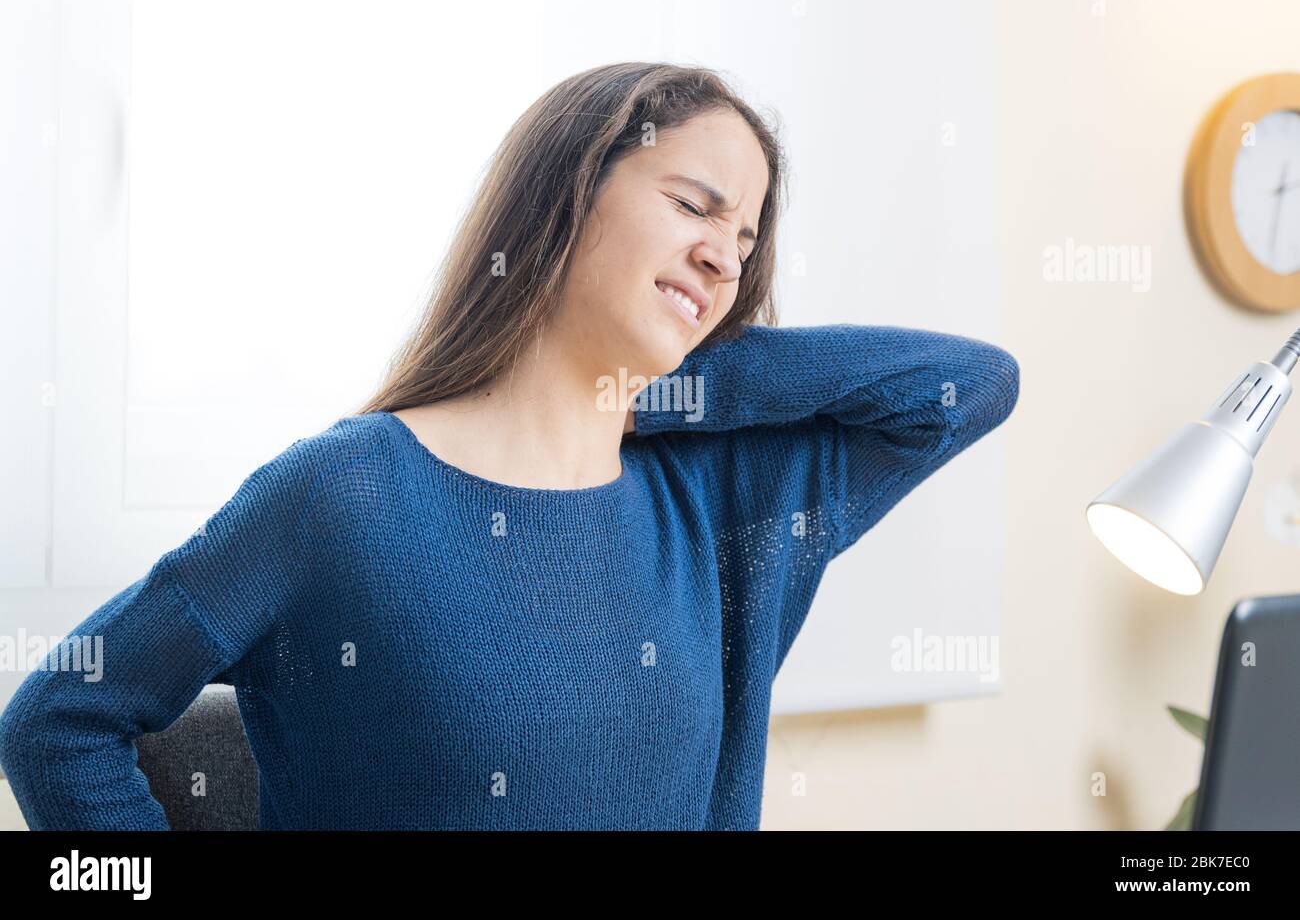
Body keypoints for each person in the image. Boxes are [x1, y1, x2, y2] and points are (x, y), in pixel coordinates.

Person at [0, 61, 1019, 830]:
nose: (722, 254)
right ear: (567, 192)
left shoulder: (722, 498)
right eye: (692, 205)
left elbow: (967, 387)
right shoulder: (344, 494)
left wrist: (661, 382)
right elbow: (57, 720)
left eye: (746, 240)